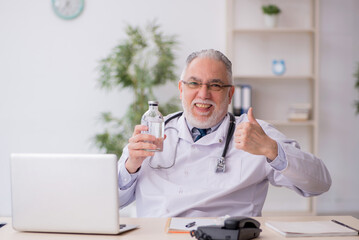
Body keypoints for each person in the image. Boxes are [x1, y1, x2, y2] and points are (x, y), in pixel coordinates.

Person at [117, 49, 331, 217]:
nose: (203, 94)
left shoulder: (256, 134)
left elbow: (319, 183)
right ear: (181, 89)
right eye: (194, 83)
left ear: (230, 94)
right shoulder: (153, 131)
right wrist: (131, 166)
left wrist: (272, 150)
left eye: (215, 85)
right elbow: (114, 201)